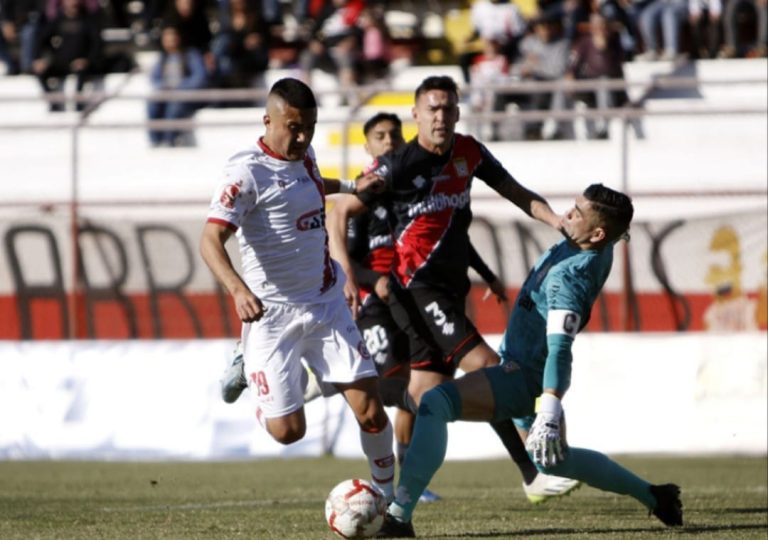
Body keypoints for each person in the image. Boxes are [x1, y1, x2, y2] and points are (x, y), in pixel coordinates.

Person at [326, 75, 580, 506]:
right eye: (432, 109)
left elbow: (514, 191)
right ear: (417, 114)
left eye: (447, 108)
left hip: (450, 290)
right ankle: (530, 473)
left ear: (458, 112)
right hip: (418, 292)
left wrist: (555, 220)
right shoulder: (399, 165)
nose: (440, 117)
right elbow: (340, 212)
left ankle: (339, 388)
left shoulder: (469, 152)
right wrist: (347, 273)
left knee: (424, 396)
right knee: (493, 369)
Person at [377, 184, 684, 537]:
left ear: (597, 234)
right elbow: (609, 228)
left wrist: (550, 407)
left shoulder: (569, 279)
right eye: (574, 206)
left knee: (436, 403)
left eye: (577, 213)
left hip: (521, 376)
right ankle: (655, 495)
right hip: (526, 370)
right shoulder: (596, 244)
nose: (568, 214)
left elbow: (560, 349)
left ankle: (399, 516)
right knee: (556, 461)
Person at [199, 77, 396, 502]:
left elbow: (310, 183)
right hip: (271, 315)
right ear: (267, 121)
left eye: (310, 127)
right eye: (294, 127)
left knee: (371, 410)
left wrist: (351, 187)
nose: (303, 137)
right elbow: (210, 240)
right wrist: (237, 291)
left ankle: (389, 505)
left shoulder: (304, 155)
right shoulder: (244, 173)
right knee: (289, 432)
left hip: (325, 304)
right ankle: (249, 368)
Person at [147, 25, 208, 147]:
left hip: (186, 95)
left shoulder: (190, 55)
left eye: (173, 36)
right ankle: (156, 141)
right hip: (167, 94)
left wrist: (179, 87)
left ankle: (169, 141)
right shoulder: (163, 58)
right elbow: (154, 79)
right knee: (152, 104)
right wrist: (164, 87)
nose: (170, 40)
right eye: (167, 37)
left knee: (174, 107)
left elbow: (199, 77)